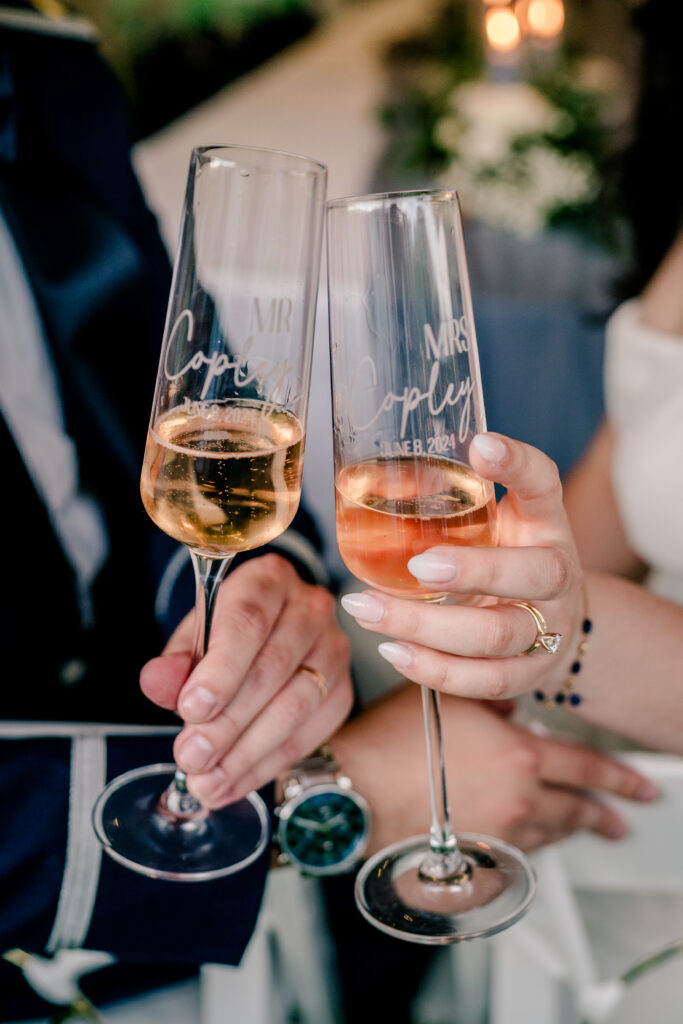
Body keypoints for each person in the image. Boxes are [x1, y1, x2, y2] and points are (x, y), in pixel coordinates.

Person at [0, 5, 352, 1018]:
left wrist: (264, 591)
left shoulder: (46, 72)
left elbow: (201, 404)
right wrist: (303, 811)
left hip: (157, 737)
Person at [336, 0, 683, 756]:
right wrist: (487, 654)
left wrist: (565, 639)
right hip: (592, 723)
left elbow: (561, 621)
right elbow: (619, 493)